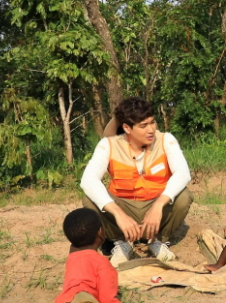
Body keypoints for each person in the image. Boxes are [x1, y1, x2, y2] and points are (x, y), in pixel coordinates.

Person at [81, 97, 193, 267]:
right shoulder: (108, 145)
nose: (151, 129)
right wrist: (118, 213)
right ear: (127, 128)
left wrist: (158, 205)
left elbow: (183, 173)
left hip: (156, 208)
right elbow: (88, 179)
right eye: (143, 126)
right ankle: (121, 243)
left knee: (184, 196)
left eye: (152, 122)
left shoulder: (166, 140)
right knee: (89, 199)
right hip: (123, 208)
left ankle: (158, 242)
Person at [52, 208, 134, 303]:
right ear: (101, 232)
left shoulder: (73, 256)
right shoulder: (102, 263)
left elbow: (75, 247)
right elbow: (107, 300)